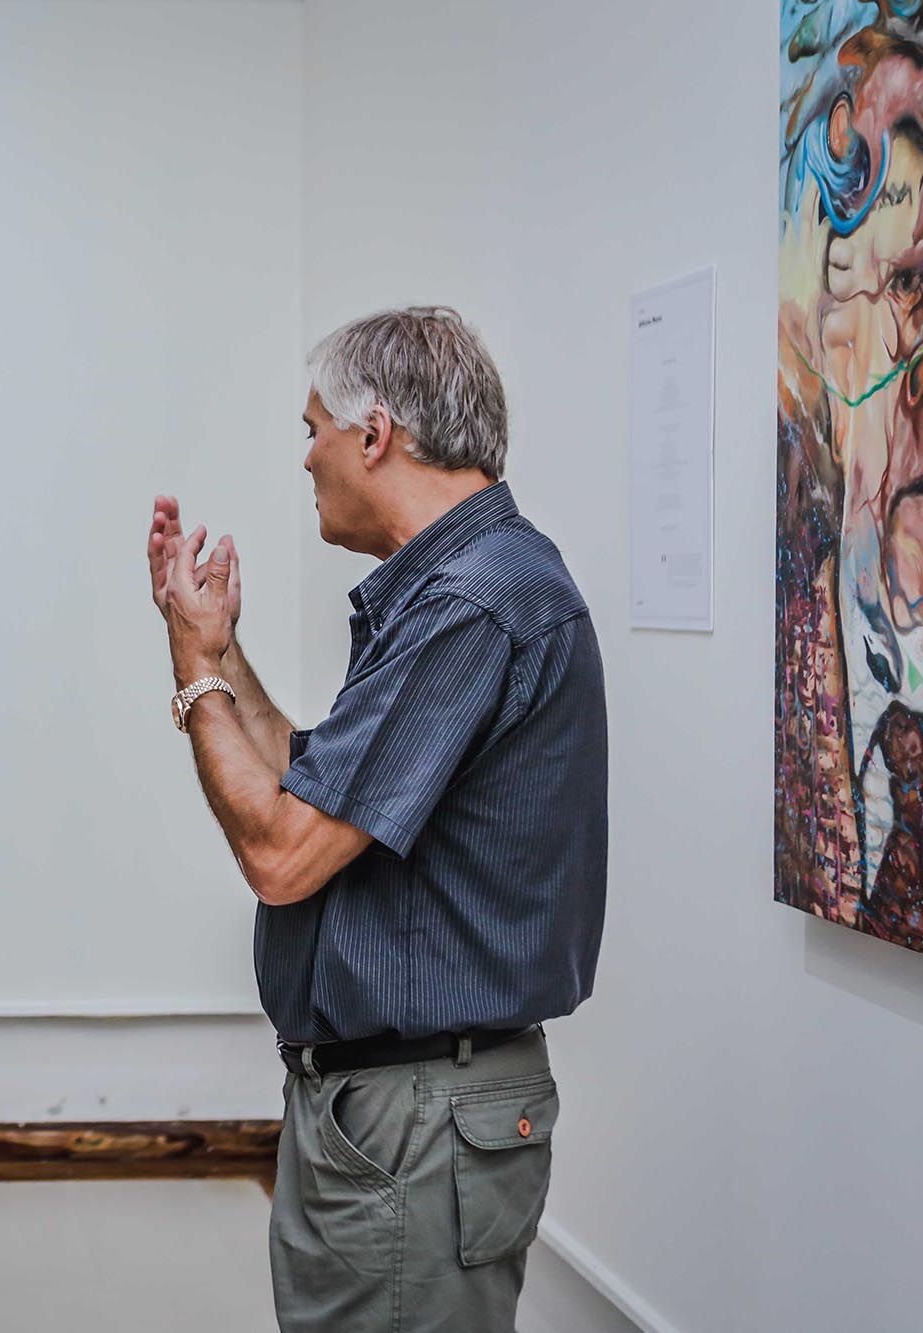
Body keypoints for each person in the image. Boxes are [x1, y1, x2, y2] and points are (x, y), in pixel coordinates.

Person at [147, 306, 607, 1331]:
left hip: (420, 1117)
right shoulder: (459, 589)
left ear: (373, 434)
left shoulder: (472, 603)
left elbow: (281, 853)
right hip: (395, 1109)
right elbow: (311, 786)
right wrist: (216, 650)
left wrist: (190, 675)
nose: (305, 455)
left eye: (312, 428)